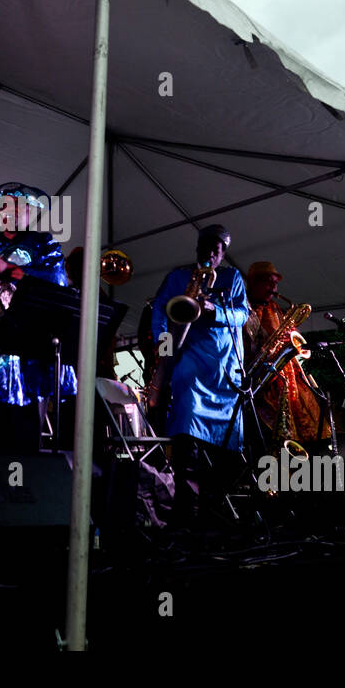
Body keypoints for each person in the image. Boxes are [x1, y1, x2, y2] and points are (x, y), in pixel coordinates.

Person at [0, 183, 76, 454]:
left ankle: (18, 487)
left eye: (24, 208)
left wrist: (13, 270)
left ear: (32, 213)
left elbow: (58, 283)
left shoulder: (45, 244)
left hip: (27, 351)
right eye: (8, 206)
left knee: (22, 436)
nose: (17, 213)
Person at [149, 224, 250, 527]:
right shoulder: (178, 276)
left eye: (216, 249)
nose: (210, 253)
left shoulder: (233, 278)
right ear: (197, 248)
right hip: (190, 360)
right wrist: (162, 347)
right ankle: (186, 508)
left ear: (223, 253)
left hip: (224, 367)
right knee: (186, 426)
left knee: (225, 447)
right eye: (205, 247)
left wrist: (214, 311)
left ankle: (213, 510)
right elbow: (159, 312)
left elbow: (243, 314)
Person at [242, 260, 330, 447]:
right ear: (254, 282)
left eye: (276, 283)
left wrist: (298, 345)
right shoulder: (242, 307)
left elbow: (290, 335)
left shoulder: (274, 308)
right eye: (269, 282)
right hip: (260, 382)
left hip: (287, 378)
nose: (274, 288)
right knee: (268, 440)